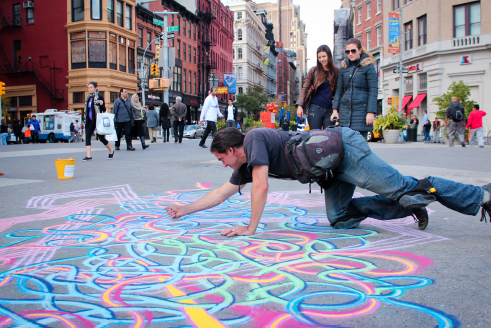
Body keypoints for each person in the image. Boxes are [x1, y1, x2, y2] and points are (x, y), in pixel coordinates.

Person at [166, 127, 491, 236]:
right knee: (340, 218)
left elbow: (262, 186)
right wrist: (185, 209)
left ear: (232, 149)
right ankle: (408, 205)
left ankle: (479, 196)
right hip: (330, 171)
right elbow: (222, 194)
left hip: (345, 149)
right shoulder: (245, 164)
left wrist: (250, 229)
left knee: (405, 185)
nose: (223, 166)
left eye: (221, 158)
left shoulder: (252, 140)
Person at [332, 39, 377, 140]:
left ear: (360, 50)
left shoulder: (368, 66)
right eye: (347, 52)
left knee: (360, 148)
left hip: (361, 112)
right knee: (345, 148)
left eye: (353, 51)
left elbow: (373, 90)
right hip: (345, 112)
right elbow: (339, 90)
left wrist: (371, 112)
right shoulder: (344, 67)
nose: (350, 54)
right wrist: (335, 110)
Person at [297, 45, 339, 130]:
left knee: (329, 137)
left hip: (330, 110)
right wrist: (300, 106)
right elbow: (305, 88)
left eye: (324, 56)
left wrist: (336, 109)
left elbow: (339, 91)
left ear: (329, 56)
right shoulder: (314, 71)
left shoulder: (336, 71)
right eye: (319, 57)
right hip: (315, 109)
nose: (322, 59)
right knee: (315, 137)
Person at [81, 82, 114, 161]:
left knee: (101, 138)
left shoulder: (99, 97)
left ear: (95, 88)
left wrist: (102, 104)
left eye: (91, 87)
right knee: (88, 136)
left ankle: (111, 150)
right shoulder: (88, 98)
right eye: (89, 87)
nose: (90, 89)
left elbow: (103, 110)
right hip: (89, 120)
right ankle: (88, 156)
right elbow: (86, 110)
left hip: (97, 120)